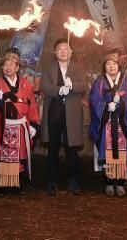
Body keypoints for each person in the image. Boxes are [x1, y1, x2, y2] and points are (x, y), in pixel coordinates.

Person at [0, 48, 40, 195]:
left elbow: (32, 104)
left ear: (17, 67)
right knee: (3, 156)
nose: (7, 67)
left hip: (20, 125)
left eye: (11, 64)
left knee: (19, 155)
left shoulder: (26, 84)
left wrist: (34, 123)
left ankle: (16, 183)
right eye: (5, 64)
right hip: (4, 125)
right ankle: (3, 184)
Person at [89, 49, 127, 197]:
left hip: (123, 123)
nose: (111, 66)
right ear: (104, 66)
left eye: (114, 63)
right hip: (106, 123)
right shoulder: (99, 82)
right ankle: (109, 182)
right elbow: (94, 100)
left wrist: (121, 104)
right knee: (108, 152)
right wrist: (106, 106)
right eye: (108, 64)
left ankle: (120, 183)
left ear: (119, 65)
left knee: (123, 153)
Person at [40, 38, 86, 195]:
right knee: (52, 148)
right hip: (54, 112)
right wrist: (59, 90)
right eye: (60, 49)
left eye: (66, 49)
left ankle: (73, 181)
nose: (63, 51)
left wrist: (72, 85)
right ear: (55, 52)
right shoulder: (49, 69)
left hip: (72, 114)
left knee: (71, 148)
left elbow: (83, 86)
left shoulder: (78, 68)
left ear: (71, 52)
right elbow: (44, 87)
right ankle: (52, 181)